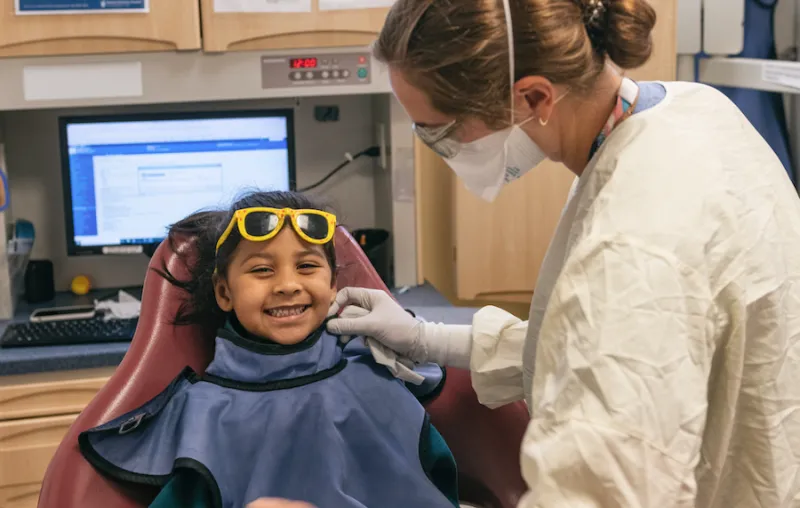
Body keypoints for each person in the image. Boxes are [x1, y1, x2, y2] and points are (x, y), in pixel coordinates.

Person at [323, 0, 800, 507]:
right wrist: (425, 338)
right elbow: (603, 344)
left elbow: (601, 490)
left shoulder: (630, 247)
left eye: (439, 131)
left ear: (532, 97)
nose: (440, 151)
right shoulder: (688, 110)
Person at [77, 191, 459, 508]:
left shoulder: (382, 378)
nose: (288, 285)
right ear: (224, 292)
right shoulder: (206, 415)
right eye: (262, 270)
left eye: (307, 266)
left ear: (332, 286)